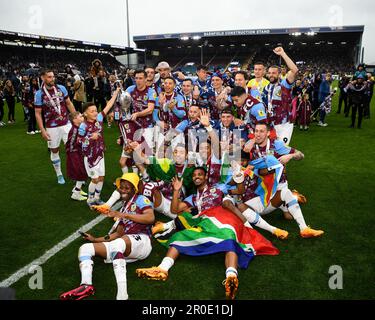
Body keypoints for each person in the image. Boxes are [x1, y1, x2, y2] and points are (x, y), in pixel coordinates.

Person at [136, 167, 279, 300]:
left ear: (206, 177)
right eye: (194, 175)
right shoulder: (192, 198)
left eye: (199, 174)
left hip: (225, 217)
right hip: (206, 222)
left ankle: (231, 278)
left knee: (229, 241)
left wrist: (240, 177)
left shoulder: (218, 188)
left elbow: (239, 191)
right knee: (179, 237)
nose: (196, 177)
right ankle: (162, 269)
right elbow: (174, 210)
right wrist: (176, 191)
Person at [60, 173, 155, 300]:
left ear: (134, 189)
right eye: (122, 187)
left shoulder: (141, 199)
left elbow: (150, 218)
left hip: (143, 242)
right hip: (126, 244)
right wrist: (95, 239)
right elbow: (118, 234)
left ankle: (122, 296)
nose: (123, 190)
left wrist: (124, 216)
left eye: (127, 188)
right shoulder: (124, 207)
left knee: (118, 244)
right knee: (85, 248)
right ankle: (86, 285)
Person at [246, 122, 324, 238]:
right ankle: (292, 198)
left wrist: (290, 156)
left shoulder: (277, 144)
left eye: (261, 131)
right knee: (250, 210)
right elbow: (240, 163)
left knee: (289, 216)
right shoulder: (250, 147)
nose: (258, 134)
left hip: (279, 185)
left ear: (268, 133)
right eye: (256, 131)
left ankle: (304, 228)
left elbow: (301, 155)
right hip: (262, 188)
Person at [79, 87, 121, 207]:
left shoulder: (99, 119)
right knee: (95, 179)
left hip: (100, 153)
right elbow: (79, 141)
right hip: (90, 156)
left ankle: (97, 197)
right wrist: (89, 138)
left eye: (95, 110)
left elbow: (108, 106)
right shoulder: (83, 126)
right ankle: (90, 199)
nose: (95, 112)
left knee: (101, 177)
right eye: (92, 111)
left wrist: (116, 92)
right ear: (85, 113)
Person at [34, 69, 76, 184]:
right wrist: (42, 130)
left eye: (53, 76)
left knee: (72, 149)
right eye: (49, 77)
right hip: (51, 127)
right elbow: (37, 113)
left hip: (66, 124)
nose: (52, 79)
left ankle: (73, 173)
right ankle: (59, 174)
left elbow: (68, 103)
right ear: (43, 78)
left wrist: (76, 117)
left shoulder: (61, 88)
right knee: (55, 150)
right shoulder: (39, 94)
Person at [263, 47, 299, 145]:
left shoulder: (284, 85)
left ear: (279, 74)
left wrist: (283, 54)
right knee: (270, 151)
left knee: (281, 150)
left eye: (274, 73)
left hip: (284, 124)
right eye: (269, 73)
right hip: (270, 124)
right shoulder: (265, 88)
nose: (271, 75)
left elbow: (294, 70)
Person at [66, 111, 88, 201]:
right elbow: (71, 144)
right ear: (75, 120)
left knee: (82, 170)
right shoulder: (75, 130)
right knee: (80, 172)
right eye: (80, 116)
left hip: (78, 153)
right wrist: (73, 155)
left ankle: (78, 189)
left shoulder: (79, 128)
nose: (82, 117)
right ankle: (76, 193)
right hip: (74, 154)